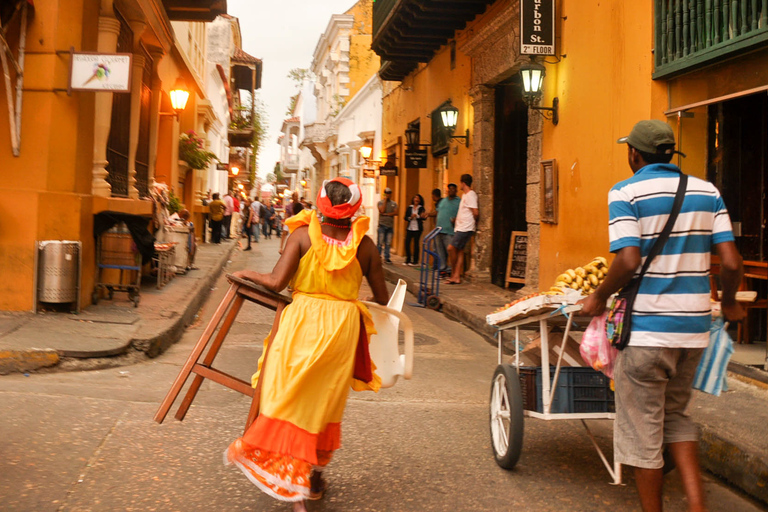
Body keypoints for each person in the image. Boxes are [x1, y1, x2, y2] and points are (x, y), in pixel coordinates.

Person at [579, 119, 746, 512]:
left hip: (646, 333)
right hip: (693, 331)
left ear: (634, 154)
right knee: (676, 416)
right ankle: (697, 508)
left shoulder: (625, 191)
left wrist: (600, 296)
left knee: (642, 431)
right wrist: (731, 301)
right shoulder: (708, 191)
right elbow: (732, 261)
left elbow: (628, 258)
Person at [226, 177, 389, 511]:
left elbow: (275, 282)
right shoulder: (366, 246)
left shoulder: (302, 236)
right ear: (355, 208)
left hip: (302, 324)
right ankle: (311, 479)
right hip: (343, 330)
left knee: (287, 397)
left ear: (321, 204)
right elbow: (383, 298)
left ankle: (295, 488)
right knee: (323, 405)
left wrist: (247, 274)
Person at [445, 174, 478, 284]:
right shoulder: (465, 195)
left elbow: (475, 212)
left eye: (460, 183)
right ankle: (456, 277)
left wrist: (469, 222)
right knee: (459, 251)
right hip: (461, 227)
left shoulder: (470, 195)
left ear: (463, 183)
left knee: (451, 248)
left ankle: (454, 272)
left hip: (465, 228)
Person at [435, 183, 460, 275]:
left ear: (456, 191)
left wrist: (456, 219)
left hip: (450, 231)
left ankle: (451, 270)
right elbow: (437, 211)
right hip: (439, 230)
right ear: (447, 190)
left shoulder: (459, 201)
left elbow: (463, 214)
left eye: (453, 189)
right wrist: (428, 214)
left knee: (450, 251)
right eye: (450, 189)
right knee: (440, 251)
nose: (451, 191)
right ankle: (442, 268)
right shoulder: (443, 201)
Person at [403, 194, 426, 266]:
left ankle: (415, 260)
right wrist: (410, 217)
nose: (416, 199)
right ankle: (408, 259)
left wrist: (417, 216)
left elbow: (424, 218)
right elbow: (405, 217)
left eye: (418, 198)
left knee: (416, 244)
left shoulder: (421, 208)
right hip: (410, 228)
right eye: (415, 198)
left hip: (417, 228)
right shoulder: (410, 207)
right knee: (407, 243)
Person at [377, 187, 398, 263]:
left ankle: (387, 257)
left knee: (388, 243)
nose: (388, 194)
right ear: (385, 194)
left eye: (389, 193)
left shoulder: (394, 203)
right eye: (387, 193)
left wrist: (388, 214)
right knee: (380, 242)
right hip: (382, 225)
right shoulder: (380, 203)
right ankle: (378, 256)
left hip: (390, 226)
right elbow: (382, 211)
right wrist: (385, 200)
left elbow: (396, 212)